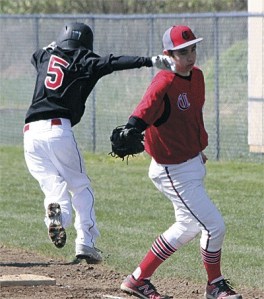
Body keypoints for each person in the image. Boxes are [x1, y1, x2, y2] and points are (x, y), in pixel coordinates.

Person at [23, 22, 175, 264]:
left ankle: (57, 217)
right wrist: (149, 60)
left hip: (30, 134)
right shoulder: (85, 60)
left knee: (53, 185)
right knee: (81, 186)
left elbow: (36, 56)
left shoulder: (45, 55)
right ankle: (85, 243)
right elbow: (114, 62)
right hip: (58, 129)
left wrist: (49, 48)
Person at [119, 25, 242, 299]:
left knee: (186, 227)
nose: (190, 55)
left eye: (193, 49)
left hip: (190, 163)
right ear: (168, 54)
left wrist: (197, 148)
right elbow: (143, 111)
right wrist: (131, 127)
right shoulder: (163, 83)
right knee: (214, 226)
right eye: (182, 51)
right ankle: (215, 285)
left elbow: (191, 118)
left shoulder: (197, 77)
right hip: (172, 170)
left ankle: (138, 279)